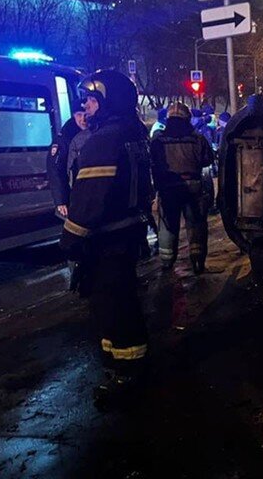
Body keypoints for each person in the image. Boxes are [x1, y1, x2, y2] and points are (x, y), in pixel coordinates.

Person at [60, 70, 153, 407]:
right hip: (127, 235)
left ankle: (125, 375)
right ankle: (130, 366)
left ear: (108, 100)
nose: (86, 105)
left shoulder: (104, 139)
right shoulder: (133, 135)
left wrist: (70, 238)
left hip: (106, 241)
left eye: (91, 99)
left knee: (112, 306)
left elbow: (89, 199)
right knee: (123, 301)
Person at [150, 102, 214, 274]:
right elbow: (208, 159)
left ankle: (166, 262)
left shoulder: (158, 140)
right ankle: (198, 262)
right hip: (193, 186)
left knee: (168, 226)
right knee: (196, 224)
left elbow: (152, 163)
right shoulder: (197, 139)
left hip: (168, 188)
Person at [47, 109, 87, 217]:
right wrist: (61, 201)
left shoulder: (91, 132)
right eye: (79, 115)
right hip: (71, 195)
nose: (83, 119)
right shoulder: (64, 137)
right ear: (73, 115)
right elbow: (55, 168)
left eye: (85, 114)